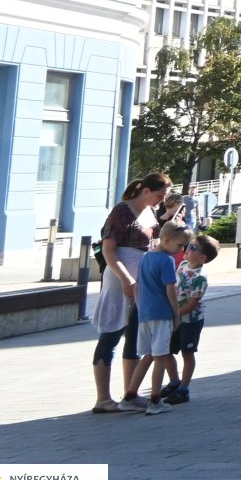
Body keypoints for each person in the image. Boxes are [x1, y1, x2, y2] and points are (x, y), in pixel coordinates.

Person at [91, 171, 171, 413]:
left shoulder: (151, 212)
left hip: (143, 278)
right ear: (145, 191)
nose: (161, 200)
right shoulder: (122, 211)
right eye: (159, 195)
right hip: (121, 278)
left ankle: (130, 393)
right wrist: (126, 278)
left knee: (136, 335)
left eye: (163, 196)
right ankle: (103, 398)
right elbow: (108, 250)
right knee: (111, 331)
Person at [129, 222, 190, 416]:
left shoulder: (146, 257)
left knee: (147, 355)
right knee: (161, 356)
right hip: (162, 313)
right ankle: (155, 400)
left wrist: (140, 308)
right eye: (180, 245)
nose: (181, 250)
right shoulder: (166, 261)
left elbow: (137, 286)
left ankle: (130, 395)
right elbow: (170, 289)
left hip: (145, 313)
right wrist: (176, 314)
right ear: (167, 240)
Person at [160, 235, 217, 405]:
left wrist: (176, 314)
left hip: (190, 321)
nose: (187, 249)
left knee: (187, 352)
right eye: (189, 245)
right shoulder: (183, 265)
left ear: (203, 258)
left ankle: (184, 388)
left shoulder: (200, 278)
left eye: (193, 248)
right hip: (176, 317)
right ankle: (174, 381)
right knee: (167, 350)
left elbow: (192, 304)